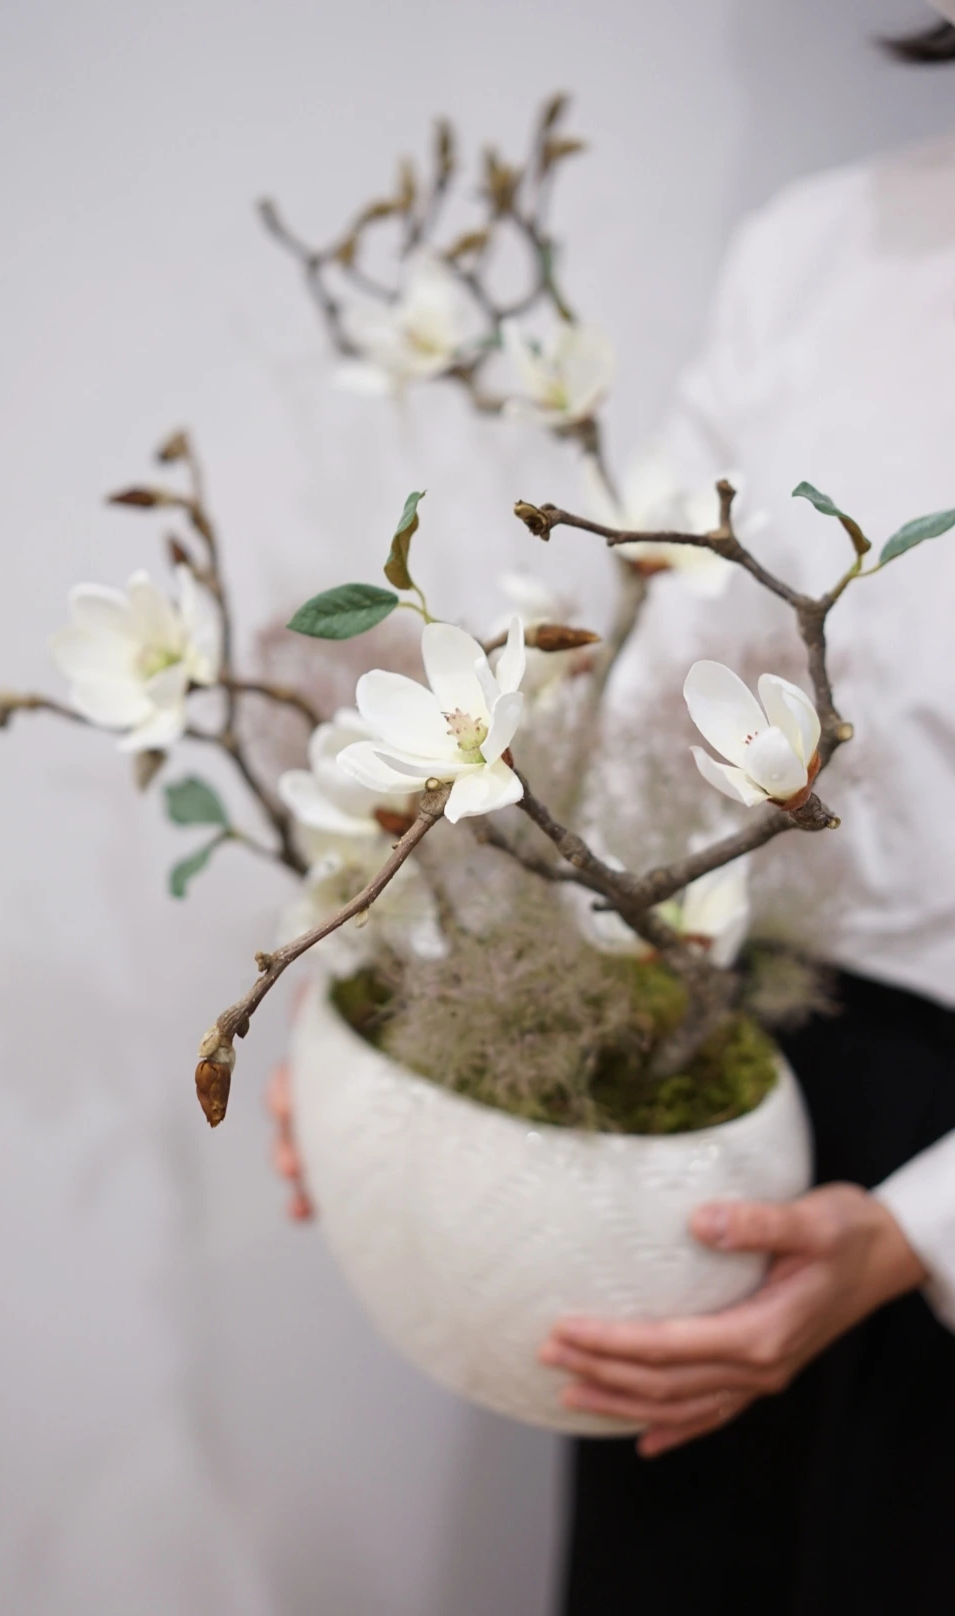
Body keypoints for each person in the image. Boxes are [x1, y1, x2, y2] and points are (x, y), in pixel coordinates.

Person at [269, 11, 955, 1611]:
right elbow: (635, 663)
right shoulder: (826, 248)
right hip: (704, 1089)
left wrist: (917, 1234)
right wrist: (403, 999)